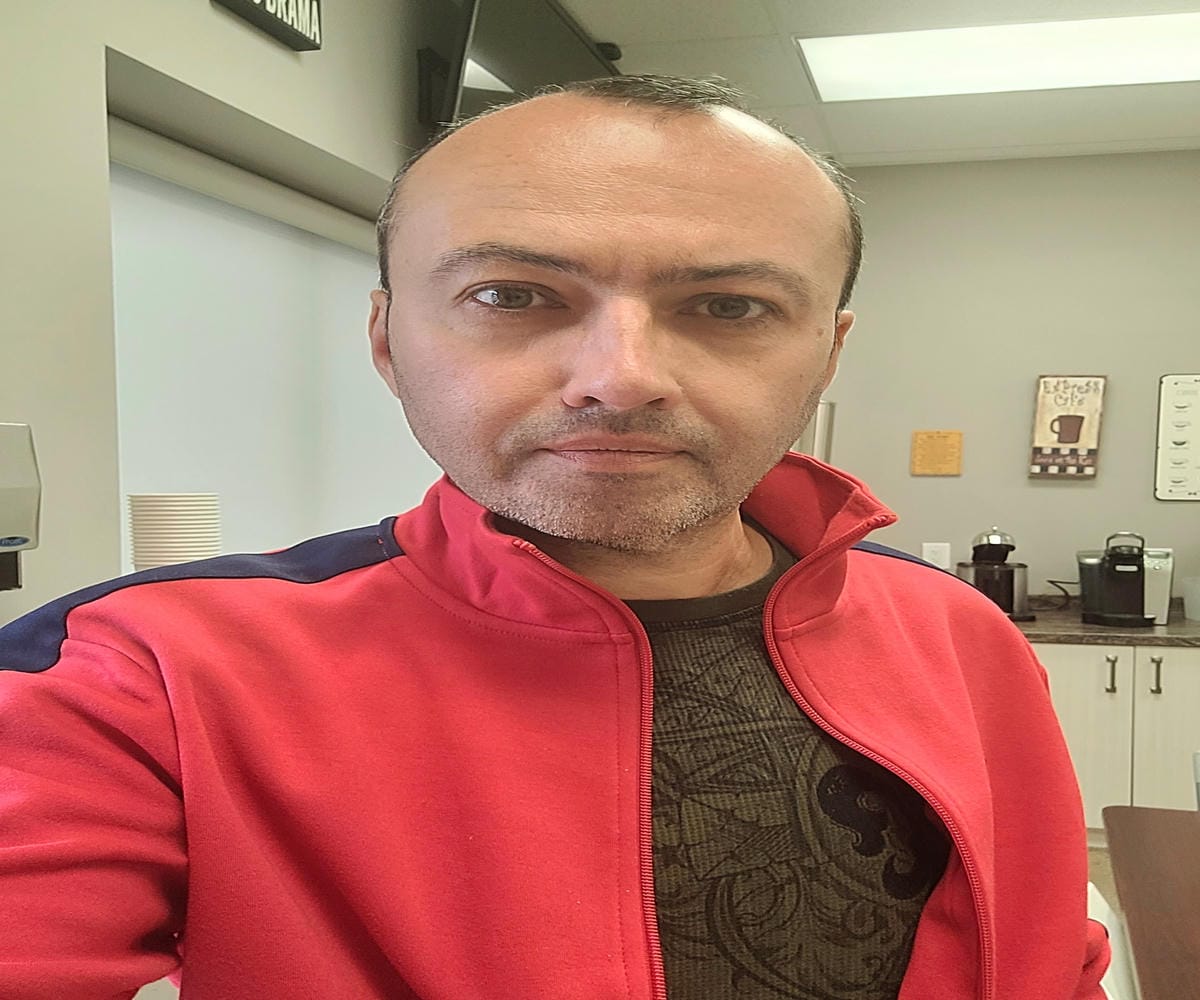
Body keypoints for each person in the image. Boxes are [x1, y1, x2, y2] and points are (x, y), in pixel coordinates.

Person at [0, 75, 1108, 1000]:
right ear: (386, 341)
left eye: (728, 306)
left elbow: (1051, 958)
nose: (620, 378)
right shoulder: (140, 678)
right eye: (512, 294)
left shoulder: (956, 634)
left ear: (827, 353)